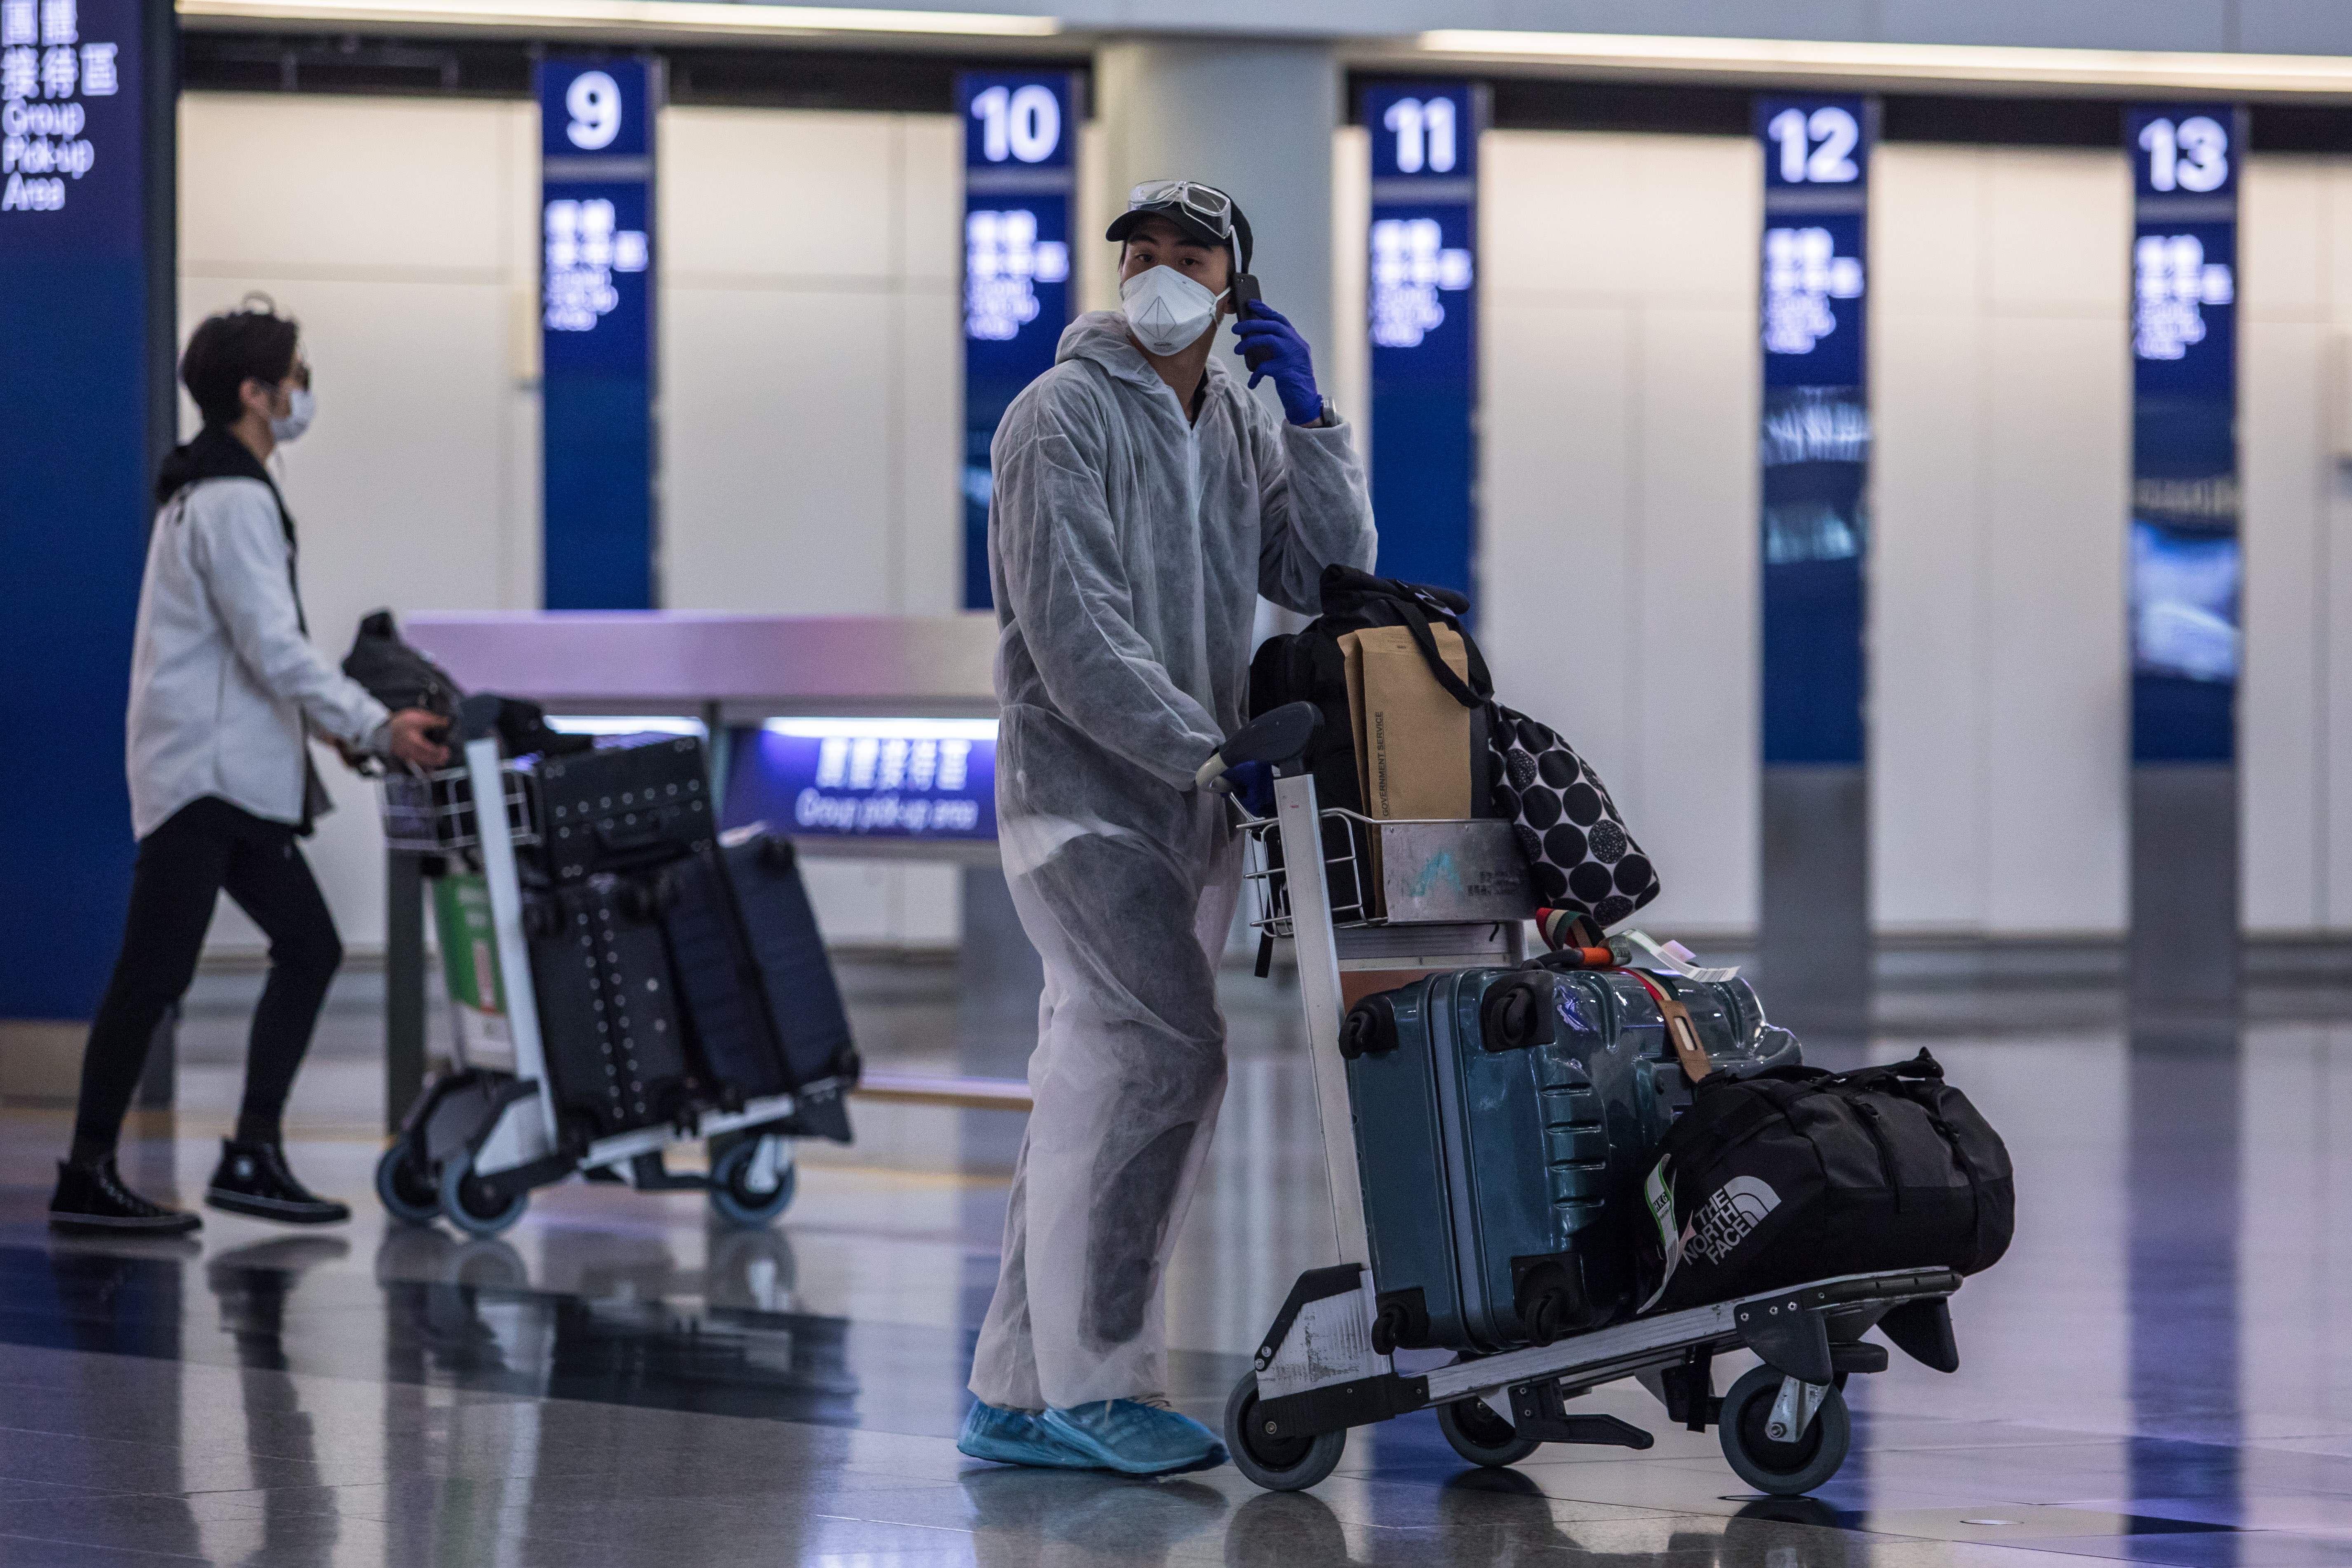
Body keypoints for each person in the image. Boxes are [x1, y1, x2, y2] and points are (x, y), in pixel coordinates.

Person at [961, 180, 1377, 1473]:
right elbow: (1073, 633)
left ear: (1230, 284)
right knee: (1156, 1057)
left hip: (1182, 806)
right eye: (1138, 248)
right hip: (1081, 799)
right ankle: (1090, 1381)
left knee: (1099, 1069)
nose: (1155, 267)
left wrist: (1310, 421)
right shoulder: (1059, 416)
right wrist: (1209, 750)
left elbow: (1327, 576)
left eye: (1186, 251)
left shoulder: (1235, 427)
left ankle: (1017, 1389)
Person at [49, 300, 450, 1235]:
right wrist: (379, 725)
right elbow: (273, 648)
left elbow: (250, 658)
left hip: (227, 777)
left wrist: (331, 730)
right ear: (255, 394)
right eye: (295, 378)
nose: (304, 394)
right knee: (153, 976)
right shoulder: (230, 500)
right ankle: (89, 1173)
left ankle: (250, 1156)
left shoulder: (224, 493)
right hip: (205, 781)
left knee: (307, 947)